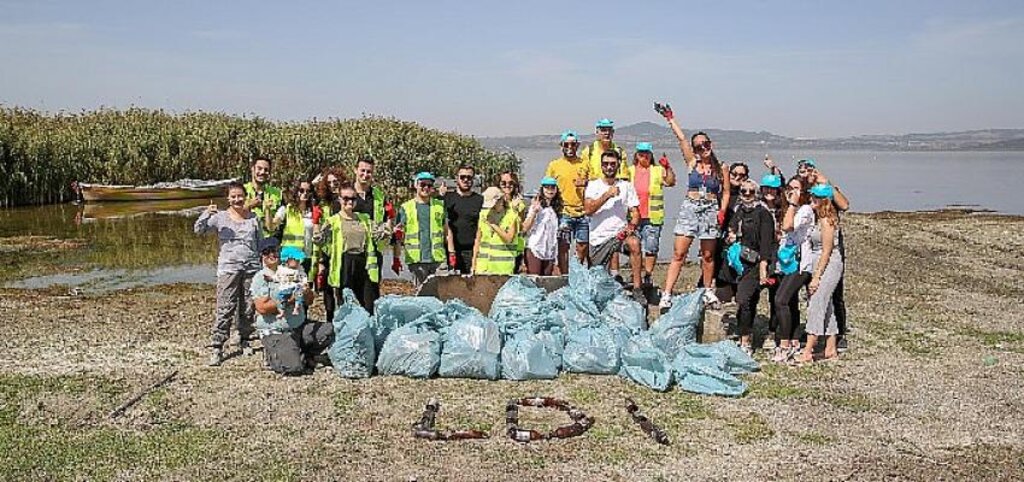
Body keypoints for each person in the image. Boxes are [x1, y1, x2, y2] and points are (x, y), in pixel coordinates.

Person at [654, 103, 731, 309]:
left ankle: (707, 290)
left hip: (710, 209)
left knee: (707, 255)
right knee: (679, 253)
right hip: (691, 207)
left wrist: (722, 211)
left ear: (711, 144)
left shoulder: (721, 167)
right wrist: (670, 118)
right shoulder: (692, 163)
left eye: (705, 144)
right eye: (698, 146)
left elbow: (725, 191)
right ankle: (667, 293)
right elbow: (681, 140)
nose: (702, 148)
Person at [193, 181, 262, 366]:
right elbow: (198, 230)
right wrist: (207, 212)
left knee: (248, 307)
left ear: (245, 197)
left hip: (251, 267)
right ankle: (217, 346)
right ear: (228, 198)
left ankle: (245, 339)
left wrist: (263, 269)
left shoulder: (254, 218)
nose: (237, 199)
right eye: (233, 196)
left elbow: (259, 243)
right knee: (225, 307)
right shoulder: (220, 217)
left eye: (240, 196)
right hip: (228, 269)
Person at [251, 244, 333, 376]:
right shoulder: (261, 277)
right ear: (262, 256)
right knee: (294, 368)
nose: (272, 255)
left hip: (298, 326)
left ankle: (302, 353)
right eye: (267, 252)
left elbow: (310, 301)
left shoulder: (294, 272)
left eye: (275, 251)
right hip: (276, 329)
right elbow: (262, 308)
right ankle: (275, 353)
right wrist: (291, 300)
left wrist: (307, 292)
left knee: (329, 330)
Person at [723, 178, 778, 356]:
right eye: (743, 191)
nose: (747, 195)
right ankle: (746, 335)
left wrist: (763, 267)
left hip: (757, 262)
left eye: (750, 192)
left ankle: (745, 341)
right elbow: (731, 229)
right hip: (741, 262)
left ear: (757, 193)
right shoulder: (740, 210)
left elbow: (766, 244)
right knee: (750, 301)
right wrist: (731, 236)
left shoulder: (763, 213)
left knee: (743, 299)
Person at [584, 150, 644, 302]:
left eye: (612, 164)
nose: (609, 167)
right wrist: (607, 195)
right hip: (599, 238)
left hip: (620, 235)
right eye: (606, 164)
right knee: (597, 280)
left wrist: (631, 226)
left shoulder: (626, 186)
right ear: (601, 166)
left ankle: (637, 288)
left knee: (635, 243)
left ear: (618, 165)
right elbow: (588, 210)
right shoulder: (593, 185)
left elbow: (635, 212)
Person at [795, 183, 844, 363]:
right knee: (826, 303)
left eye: (815, 197)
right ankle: (830, 348)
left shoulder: (826, 220)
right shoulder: (817, 217)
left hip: (829, 263)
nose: (811, 199)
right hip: (818, 262)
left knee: (816, 302)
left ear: (824, 200)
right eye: (811, 196)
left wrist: (816, 277)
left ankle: (808, 349)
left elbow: (827, 251)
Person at [321, 182, 380, 312]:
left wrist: (387, 230)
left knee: (369, 305)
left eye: (353, 198)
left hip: (362, 263)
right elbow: (324, 246)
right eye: (346, 198)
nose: (349, 202)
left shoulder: (364, 218)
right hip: (344, 264)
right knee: (345, 306)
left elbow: (379, 236)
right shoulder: (333, 221)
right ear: (339, 199)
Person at [775, 177, 814, 363]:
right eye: (790, 188)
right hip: (787, 261)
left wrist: (792, 204)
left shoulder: (805, 210)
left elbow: (788, 226)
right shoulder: (790, 209)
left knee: (780, 300)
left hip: (801, 264)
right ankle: (794, 339)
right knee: (789, 302)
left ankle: (785, 344)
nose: (792, 192)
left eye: (797, 189)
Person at [627, 142, 676, 288]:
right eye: (641, 153)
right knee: (633, 248)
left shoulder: (657, 170)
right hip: (633, 217)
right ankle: (635, 274)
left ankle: (647, 275)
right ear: (636, 155)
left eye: (647, 153)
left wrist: (667, 167)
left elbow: (671, 182)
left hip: (652, 217)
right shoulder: (629, 171)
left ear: (651, 155)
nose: (644, 156)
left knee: (651, 248)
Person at [544, 130, 591, 272]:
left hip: (583, 212)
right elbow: (546, 187)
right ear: (561, 146)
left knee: (583, 245)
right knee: (563, 246)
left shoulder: (584, 163)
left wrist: (586, 182)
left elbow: (595, 184)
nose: (570, 147)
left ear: (577, 146)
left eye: (573, 144)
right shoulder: (554, 165)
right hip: (563, 212)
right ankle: (565, 275)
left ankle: (575, 271)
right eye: (567, 144)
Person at [394, 172, 450, 285]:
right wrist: (396, 258)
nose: (426, 188)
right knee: (421, 298)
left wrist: (452, 253)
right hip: (417, 262)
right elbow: (398, 236)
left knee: (442, 294)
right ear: (415, 185)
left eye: (429, 186)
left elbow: (447, 232)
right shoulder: (406, 208)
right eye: (422, 184)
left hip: (438, 260)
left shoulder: (440, 206)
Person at [351, 157, 391, 303]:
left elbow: (388, 218)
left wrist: (387, 231)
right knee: (351, 297)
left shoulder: (378, 196)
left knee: (371, 297)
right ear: (355, 170)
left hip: (373, 253)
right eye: (362, 170)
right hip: (351, 252)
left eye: (369, 172)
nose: (365, 175)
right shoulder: (346, 194)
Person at [313, 167, 346, 321]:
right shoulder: (323, 204)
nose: (333, 185)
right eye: (330, 182)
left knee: (341, 288)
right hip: (327, 251)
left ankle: (344, 318)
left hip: (343, 250)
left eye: (336, 181)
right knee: (326, 288)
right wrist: (320, 259)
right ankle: (329, 318)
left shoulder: (347, 201)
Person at [269, 180, 316, 277]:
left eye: (308, 191)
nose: (305, 193)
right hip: (290, 255)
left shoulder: (312, 211)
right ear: (296, 192)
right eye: (301, 190)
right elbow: (271, 226)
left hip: (307, 255)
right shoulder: (286, 209)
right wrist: (267, 210)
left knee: (304, 288)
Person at [443, 165, 484, 274]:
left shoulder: (479, 200)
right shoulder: (447, 198)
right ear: (457, 178)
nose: (466, 180)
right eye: (462, 177)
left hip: (472, 251)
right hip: (451, 251)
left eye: (469, 177)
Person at [472, 186, 522, 275]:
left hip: (503, 268)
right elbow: (478, 241)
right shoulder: (484, 214)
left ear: (501, 200)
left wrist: (493, 225)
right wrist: (474, 264)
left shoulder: (511, 215)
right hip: (483, 267)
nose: (492, 208)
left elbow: (509, 239)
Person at [522, 177, 563, 275]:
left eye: (552, 187)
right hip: (535, 249)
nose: (550, 190)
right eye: (547, 187)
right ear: (542, 189)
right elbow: (525, 228)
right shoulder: (536, 206)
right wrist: (534, 212)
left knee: (546, 283)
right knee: (534, 281)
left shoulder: (556, 209)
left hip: (550, 252)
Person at [243, 156, 283, 239]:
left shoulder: (277, 193)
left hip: (269, 241)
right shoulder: (241, 191)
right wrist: (249, 205)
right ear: (252, 169)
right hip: (246, 239)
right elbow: (232, 215)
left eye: (266, 170)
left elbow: (276, 223)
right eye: (259, 168)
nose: (262, 172)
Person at [497, 171, 527, 273]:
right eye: (503, 183)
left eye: (511, 183)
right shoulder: (494, 203)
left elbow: (522, 228)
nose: (507, 186)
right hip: (497, 252)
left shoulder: (520, 204)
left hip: (515, 252)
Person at [269, 246, 308, 319]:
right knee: (281, 298)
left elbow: (303, 276)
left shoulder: (299, 269)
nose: (298, 261)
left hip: (296, 286)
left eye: (299, 260)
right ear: (287, 260)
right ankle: (282, 311)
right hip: (285, 287)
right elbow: (277, 277)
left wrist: (304, 283)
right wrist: (271, 278)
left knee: (299, 294)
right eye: (296, 259)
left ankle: (297, 307)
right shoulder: (281, 269)